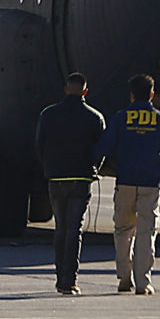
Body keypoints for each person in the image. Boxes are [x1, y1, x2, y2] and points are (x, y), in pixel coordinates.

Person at [98, 74, 160, 294]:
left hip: (125, 181)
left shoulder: (121, 118)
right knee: (147, 232)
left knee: (123, 229)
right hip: (150, 183)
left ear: (131, 95)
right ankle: (142, 282)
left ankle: (124, 277)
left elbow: (104, 146)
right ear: (152, 94)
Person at [33, 73, 106, 295]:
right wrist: (94, 168)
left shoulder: (48, 114)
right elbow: (101, 150)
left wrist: (49, 167)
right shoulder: (94, 117)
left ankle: (59, 278)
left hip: (56, 177)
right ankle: (70, 280)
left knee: (61, 228)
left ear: (66, 89)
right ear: (85, 91)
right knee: (75, 229)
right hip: (81, 178)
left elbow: (39, 144)